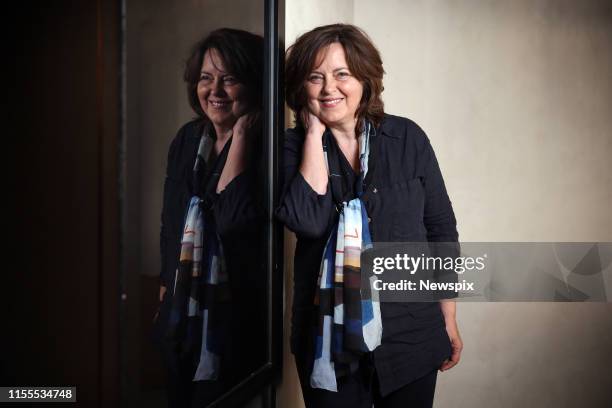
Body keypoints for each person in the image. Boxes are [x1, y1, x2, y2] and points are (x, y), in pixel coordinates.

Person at [276, 23, 463, 408]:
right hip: (327, 340)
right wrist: (312, 134)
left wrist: (448, 317)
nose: (329, 88)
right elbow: (306, 221)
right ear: (301, 87)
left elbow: (440, 230)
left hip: (411, 332)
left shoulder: (407, 138)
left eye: (342, 74)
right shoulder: (289, 150)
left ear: (365, 77)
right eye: (315, 77)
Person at [151, 28, 266, 408]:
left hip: (235, 311)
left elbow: (233, 221)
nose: (214, 90)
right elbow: (171, 219)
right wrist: (167, 287)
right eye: (206, 78)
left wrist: (243, 137)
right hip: (183, 306)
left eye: (229, 78)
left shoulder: (267, 146)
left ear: (253, 83)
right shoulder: (187, 138)